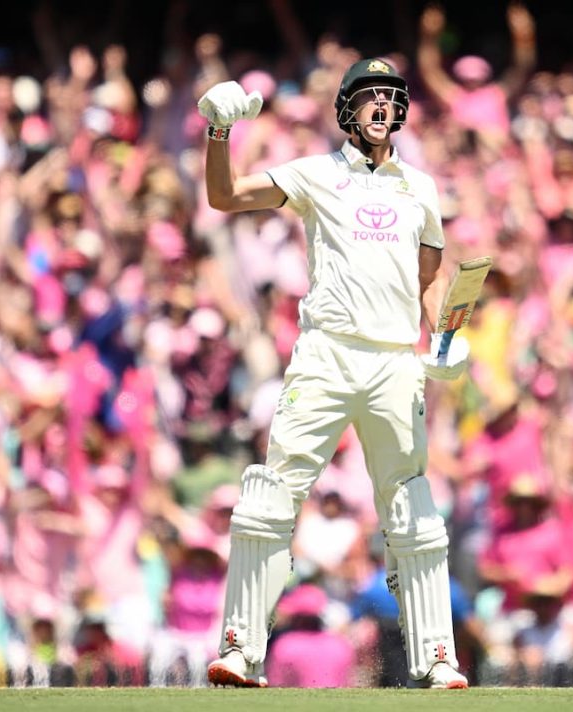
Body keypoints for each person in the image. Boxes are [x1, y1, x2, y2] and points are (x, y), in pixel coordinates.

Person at [196, 57, 470, 689]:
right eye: (370, 97)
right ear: (347, 108)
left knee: (413, 506)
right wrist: (218, 132)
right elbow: (225, 196)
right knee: (271, 494)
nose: (381, 107)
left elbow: (429, 279)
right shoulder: (316, 174)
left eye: (391, 97)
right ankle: (240, 647)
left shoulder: (420, 188)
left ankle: (435, 656)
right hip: (326, 352)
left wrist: (445, 337)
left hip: (395, 360)